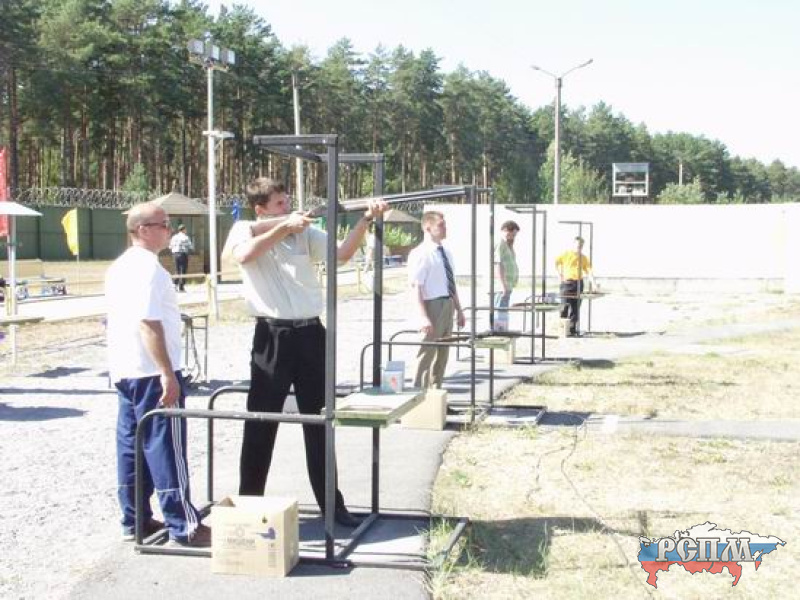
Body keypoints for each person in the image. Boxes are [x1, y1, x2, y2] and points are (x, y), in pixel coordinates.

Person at [223, 177, 386, 527]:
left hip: (311, 333)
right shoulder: (244, 229)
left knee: (321, 421)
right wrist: (284, 226)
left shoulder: (304, 233)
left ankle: (332, 507)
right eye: (279, 204)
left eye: (287, 202)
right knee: (261, 423)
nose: (287, 207)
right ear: (261, 209)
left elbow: (342, 254)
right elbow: (244, 255)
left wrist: (366, 219)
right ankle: (247, 508)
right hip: (272, 335)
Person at [105, 202, 210, 547]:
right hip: (151, 371)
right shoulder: (148, 268)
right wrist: (167, 373)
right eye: (163, 224)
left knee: (132, 445)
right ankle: (184, 524)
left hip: (127, 369)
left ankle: (134, 520)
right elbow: (149, 323)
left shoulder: (120, 266)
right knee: (166, 446)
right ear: (143, 229)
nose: (169, 229)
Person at [407, 211, 466, 389]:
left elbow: (450, 283)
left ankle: (436, 392)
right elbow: (416, 287)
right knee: (427, 352)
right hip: (432, 304)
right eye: (440, 225)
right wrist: (423, 316)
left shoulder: (446, 252)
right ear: (428, 228)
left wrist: (459, 310)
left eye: (444, 224)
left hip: (447, 303)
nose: (445, 228)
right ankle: (417, 392)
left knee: (443, 352)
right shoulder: (420, 253)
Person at [555, 236, 596, 337]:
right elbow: (556, 263)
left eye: (581, 246)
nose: (579, 247)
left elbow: (589, 272)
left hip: (578, 283)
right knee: (564, 306)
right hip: (567, 283)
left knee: (575, 308)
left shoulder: (584, 258)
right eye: (578, 245)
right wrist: (559, 274)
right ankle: (562, 330)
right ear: (573, 244)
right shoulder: (566, 254)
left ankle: (572, 330)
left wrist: (594, 284)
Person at [493, 220, 520, 332]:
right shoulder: (500, 243)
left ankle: (502, 331)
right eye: (513, 234)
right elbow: (497, 264)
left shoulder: (508, 245)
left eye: (515, 235)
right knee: (500, 312)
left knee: (503, 312)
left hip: (507, 285)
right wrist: (502, 285)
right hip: (500, 287)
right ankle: (498, 332)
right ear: (506, 231)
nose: (513, 237)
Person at [169, 224, 193, 291]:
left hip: (175, 254)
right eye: (185, 229)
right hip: (183, 254)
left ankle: (174, 285)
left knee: (177, 270)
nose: (186, 230)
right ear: (183, 230)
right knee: (183, 270)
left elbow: (170, 247)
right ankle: (181, 287)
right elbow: (190, 246)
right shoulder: (186, 237)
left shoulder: (174, 237)